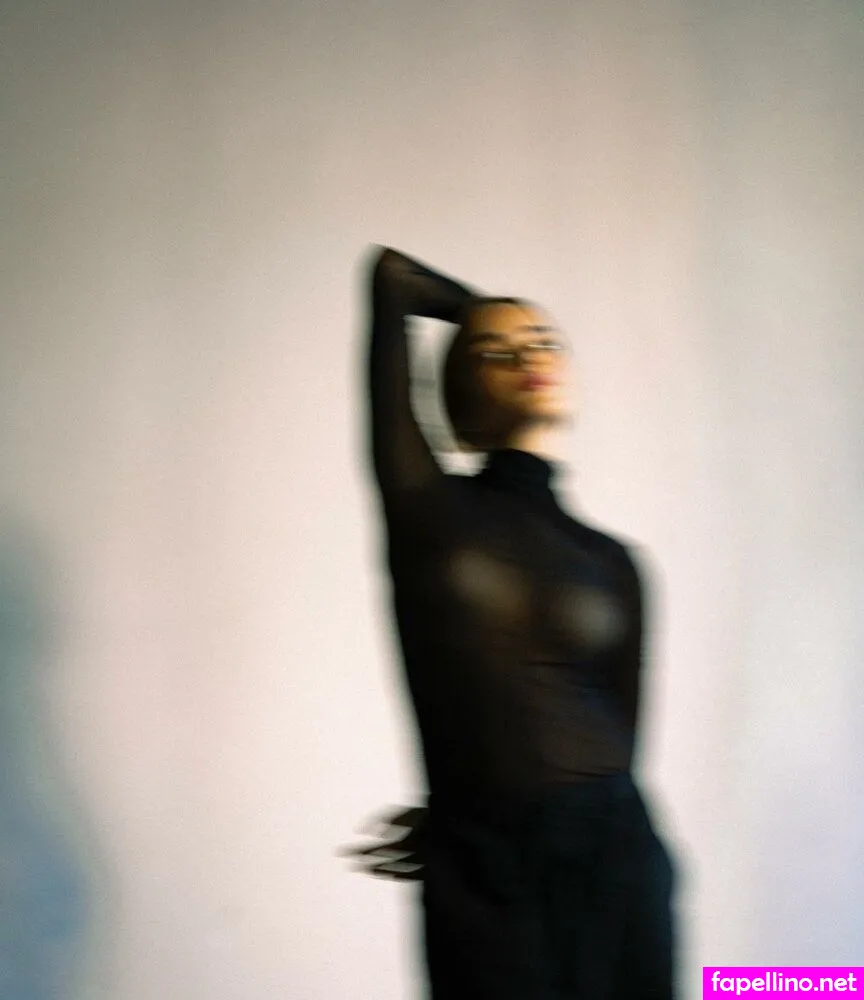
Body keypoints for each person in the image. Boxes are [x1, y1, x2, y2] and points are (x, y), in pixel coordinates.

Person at [350, 245, 676, 999]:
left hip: (616, 863)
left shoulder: (614, 562)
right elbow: (392, 280)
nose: (529, 359)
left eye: (544, 343)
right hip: (483, 867)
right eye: (496, 353)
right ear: (461, 389)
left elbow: (625, 747)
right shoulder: (427, 507)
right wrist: (477, 311)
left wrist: (494, 331)